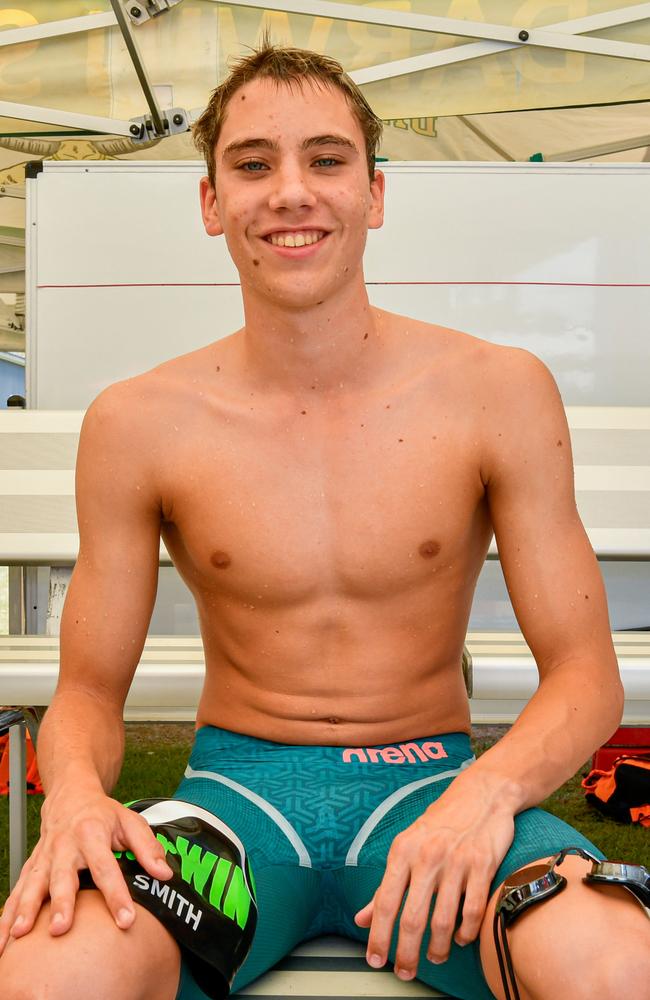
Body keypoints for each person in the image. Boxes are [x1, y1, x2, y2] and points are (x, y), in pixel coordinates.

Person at [0, 42, 648, 1000]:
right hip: (236, 810)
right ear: (213, 202)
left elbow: (588, 676)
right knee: (58, 967)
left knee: (617, 962)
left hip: (433, 792)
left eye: (327, 160)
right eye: (253, 164)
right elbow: (90, 691)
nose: (290, 192)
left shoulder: (498, 393)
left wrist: (487, 796)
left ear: (375, 194)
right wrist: (83, 801)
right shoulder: (138, 423)